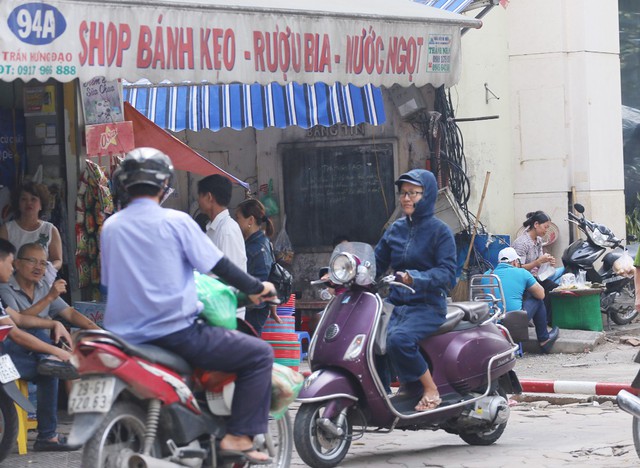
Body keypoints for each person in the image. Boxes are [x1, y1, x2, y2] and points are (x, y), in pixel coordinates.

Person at [100, 148, 275, 464]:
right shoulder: (176, 221)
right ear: (164, 184)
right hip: (175, 334)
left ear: (124, 184)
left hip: (122, 338)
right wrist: (257, 286)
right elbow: (220, 266)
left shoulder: (111, 226)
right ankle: (237, 437)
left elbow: (108, 286)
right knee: (260, 354)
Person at [375, 169, 457, 412]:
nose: (406, 198)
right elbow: (375, 262)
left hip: (427, 305)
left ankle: (430, 389)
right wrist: (340, 272)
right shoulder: (395, 229)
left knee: (399, 339)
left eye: (413, 193)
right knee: (367, 337)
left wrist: (416, 278)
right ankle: (380, 394)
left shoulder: (440, 232)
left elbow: (448, 274)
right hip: (396, 303)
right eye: (403, 193)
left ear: (427, 195)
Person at [0, 238, 80, 451]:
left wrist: (54, 322)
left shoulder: (3, 300)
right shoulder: (5, 288)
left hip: (8, 359)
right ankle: (50, 360)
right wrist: (55, 351)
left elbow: (19, 320)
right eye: (9, 263)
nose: (10, 268)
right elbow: (15, 333)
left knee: (47, 368)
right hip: (4, 360)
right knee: (47, 365)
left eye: (43, 263)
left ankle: (47, 437)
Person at [1, 243, 101, 333]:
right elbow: (19, 320)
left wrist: (100, 332)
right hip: (20, 349)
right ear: (17, 264)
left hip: (45, 347)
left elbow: (70, 313)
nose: (38, 267)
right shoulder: (4, 288)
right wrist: (49, 298)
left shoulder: (43, 285)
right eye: (32, 261)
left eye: (43, 263)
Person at [487, 247, 559, 353]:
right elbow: (541, 294)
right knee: (537, 301)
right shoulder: (522, 273)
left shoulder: (487, 274)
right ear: (515, 262)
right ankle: (544, 339)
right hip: (513, 322)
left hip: (490, 322)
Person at [197, 174, 248, 319]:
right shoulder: (213, 229)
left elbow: (231, 276)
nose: (198, 201)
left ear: (209, 197)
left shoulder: (227, 230)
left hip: (226, 313)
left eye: (200, 196)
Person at [0, 182, 62, 285]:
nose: (29, 203)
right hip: (12, 284)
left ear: (41, 205)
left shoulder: (50, 230)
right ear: (18, 204)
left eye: (33, 199)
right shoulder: (6, 229)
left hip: (42, 283)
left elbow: (57, 260)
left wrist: (44, 269)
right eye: (24, 199)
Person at [235, 198, 282, 335]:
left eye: (238, 218)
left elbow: (262, 279)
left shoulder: (255, 247)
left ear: (250, 220)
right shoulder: (264, 241)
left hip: (253, 308)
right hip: (258, 307)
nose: (236, 223)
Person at [512, 210, 558, 322]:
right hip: (521, 278)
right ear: (536, 224)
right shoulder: (521, 243)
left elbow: (540, 261)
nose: (546, 230)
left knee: (554, 288)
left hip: (534, 277)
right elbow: (517, 268)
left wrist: (548, 262)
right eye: (545, 227)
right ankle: (537, 320)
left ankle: (548, 320)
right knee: (540, 291)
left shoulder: (538, 240)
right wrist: (537, 263)